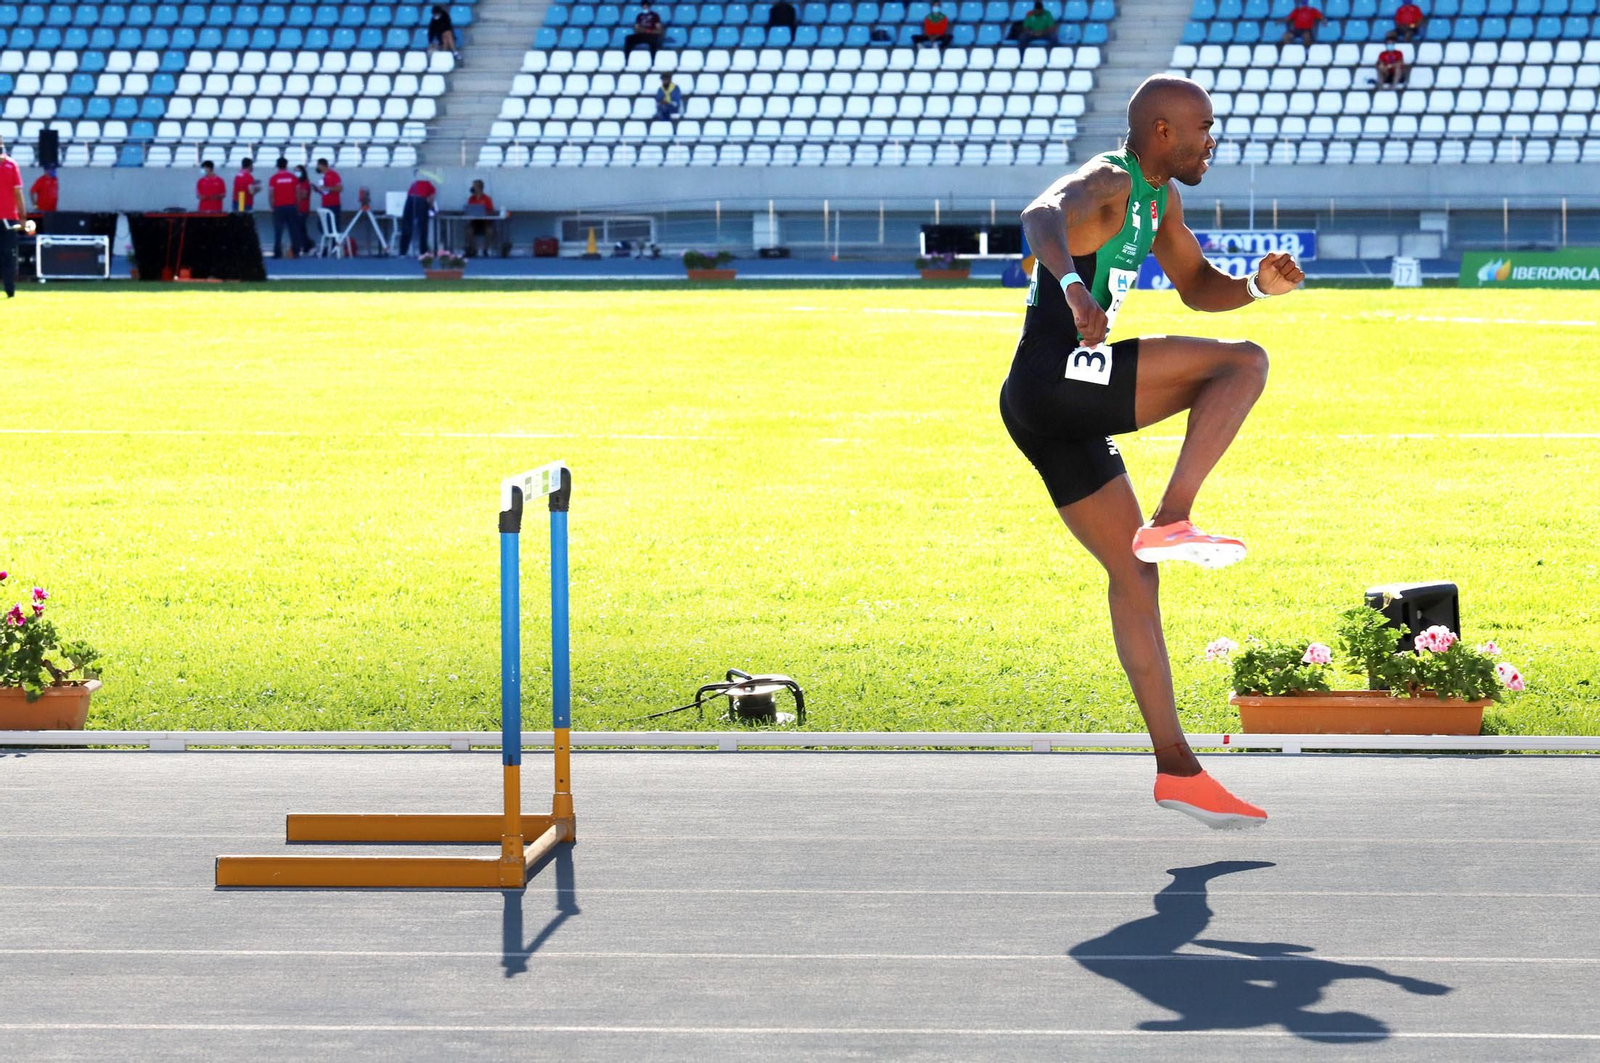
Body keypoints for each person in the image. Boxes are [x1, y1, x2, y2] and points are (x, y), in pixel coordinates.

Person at [1001, 75, 1304, 829]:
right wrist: (1074, 289)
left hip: (1047, 406)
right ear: (1162, 131)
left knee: (1136, 577)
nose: (1212, 141)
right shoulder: (1111, 179)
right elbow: (1038, 214)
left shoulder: (1161, 202)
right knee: (1242, 365)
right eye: (1204, 127)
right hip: (1053, 375)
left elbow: (1197, 285)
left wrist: (1255, 288)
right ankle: (1173, 517)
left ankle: (1179, 770)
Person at [0, 137, 33, 299]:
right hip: (9, 219)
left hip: (8, 218)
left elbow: (17, 192)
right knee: (8, 255)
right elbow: (18, 192)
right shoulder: (11, 165)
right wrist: (23, 217)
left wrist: (22, 216)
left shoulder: (11, 165)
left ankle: (9, 289)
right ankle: (9, 289)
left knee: (8, 255)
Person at [398, 169, 437, 256]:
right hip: (421, 201)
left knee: (407, 227)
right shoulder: (430, 186)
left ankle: (402, 251)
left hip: (410, 201)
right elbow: (430, 199)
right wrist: (431, 208)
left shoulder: (414, 184)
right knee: (423, 228)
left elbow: (409, 195)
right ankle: (423, 251)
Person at [267, 156, 299, 258]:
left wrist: (272, 207)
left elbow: (271, 194)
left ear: (277, 166)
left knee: (278, 231)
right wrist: (297, 205)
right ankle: (296, 252)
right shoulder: (293, 178)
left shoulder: (273, 178)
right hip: (291, 206)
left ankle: (277, 253)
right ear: (286, 165)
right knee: (293, 230)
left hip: (278, 207)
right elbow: (297, 193)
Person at [314, 157, 344, 251]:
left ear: (322, 165)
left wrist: (326, 188)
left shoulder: (333, 175)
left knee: (333, 226)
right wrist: (318, 190)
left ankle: (336, 246)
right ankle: (331, 244)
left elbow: (339, 188)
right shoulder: (323, 176)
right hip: (325, 204)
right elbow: (324, 191)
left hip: (333, 205)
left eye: (318, 165)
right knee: (322, 225)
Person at [465, 178, 495, 257]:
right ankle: (474, 249)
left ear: (479, 188)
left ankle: (485, 250)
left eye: (474, 186)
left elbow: (491, 211)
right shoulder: (471, 199)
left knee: (490, 231)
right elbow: (469, 210)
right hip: (474, 221)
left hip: (485, 221)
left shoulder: (487, 199)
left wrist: (485, 213)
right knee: (468, 230)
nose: (472, 188)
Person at [293, 164, 316, 256]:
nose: (296, 173)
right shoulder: (295, 182)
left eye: (298, 171)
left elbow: (304, 195)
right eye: (295, 171)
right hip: (295, 209)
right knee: (300, 229)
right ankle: (306, 246)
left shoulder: (305, 182)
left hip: (303, 209)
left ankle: (309, 245)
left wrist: (295, 194)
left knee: (300, 228)